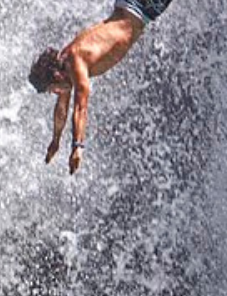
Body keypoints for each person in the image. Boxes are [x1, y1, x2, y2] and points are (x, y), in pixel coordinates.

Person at [29, 1, 173, 174]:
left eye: (53, 89)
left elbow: (80, 107)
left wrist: (77, 146)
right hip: (141, 11)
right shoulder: (65, 65)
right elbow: (62, 109)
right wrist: (56, 140)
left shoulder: (75, 61)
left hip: (138, 6)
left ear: (56, 76)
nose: (56, 93)